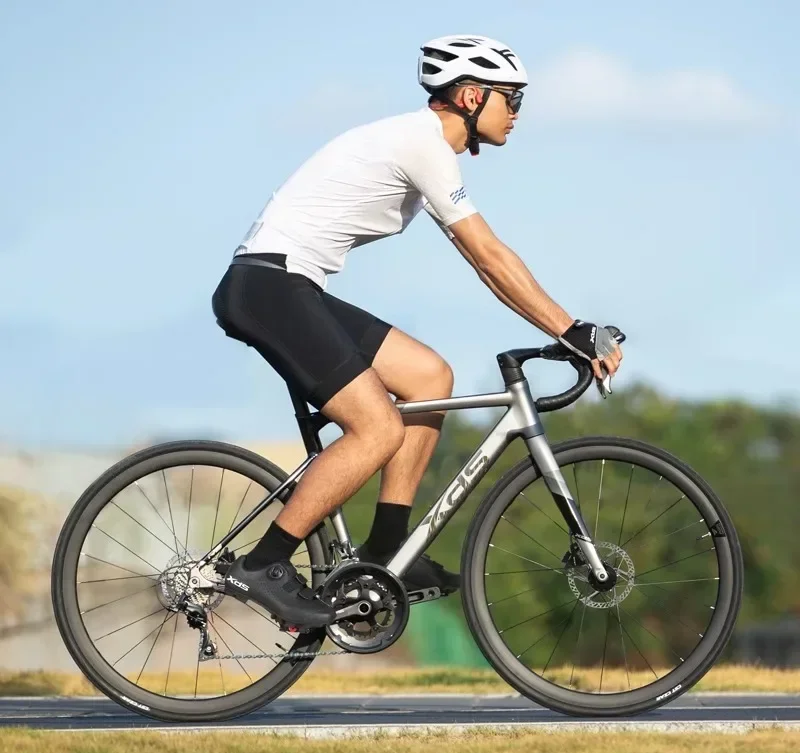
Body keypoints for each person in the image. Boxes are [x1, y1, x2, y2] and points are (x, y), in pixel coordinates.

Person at [212, 34, 623, 630]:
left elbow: (486, 265)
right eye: (512, 99)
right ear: (472, 95)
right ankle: (263, 564)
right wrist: (571, 330)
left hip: (291, 287)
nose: (517, 114)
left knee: (429, 376)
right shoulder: (421, 142)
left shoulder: (424, 147)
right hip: (268, 288)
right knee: (375, 429)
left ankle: (387, 550)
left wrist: (566, 330)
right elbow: (487, 256)